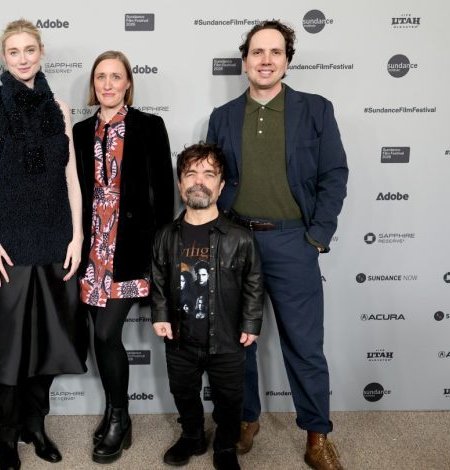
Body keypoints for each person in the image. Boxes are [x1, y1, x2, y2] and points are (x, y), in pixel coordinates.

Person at [206, 20, 348, 470]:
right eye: (257, 52)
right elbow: (213, 180)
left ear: (287, 60)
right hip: (237, 243)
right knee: (235, 344)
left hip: (293, 241)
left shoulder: (316, 110)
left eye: (275, 52)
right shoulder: (223, 116)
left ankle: (317, 435)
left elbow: (334, 176)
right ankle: (245, 420)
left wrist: (316, 238)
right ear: (245, 60)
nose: (265, 60)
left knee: (304, 345)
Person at [0, 19, 87, 470]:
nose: (22, 58)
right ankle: (7, 431)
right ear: (4, 57)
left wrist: (76, 236)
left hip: (55, 236)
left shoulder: (59, 105)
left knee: (49, 340)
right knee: (9, 342)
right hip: (6, 241)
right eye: (14, 51)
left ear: (41, 52)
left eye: (29, 50)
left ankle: (36, 425)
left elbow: (71, 178)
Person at [72, 50, 174, 464]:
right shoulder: (79, 131)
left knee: (104, 334)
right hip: (92, 247)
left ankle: (119, 417)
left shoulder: (150, 126)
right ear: (94, 85)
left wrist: (160, 255)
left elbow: (164, 194)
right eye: (101, 77)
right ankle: (118, 413)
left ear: (128, 83)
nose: (108, 84)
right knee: (102, 336)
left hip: (132, 247)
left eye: (116, 77)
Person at [151, 142, 263, 470]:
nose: (199, 180)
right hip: (181, 339)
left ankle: (225, 446)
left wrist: (251, 323)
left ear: (221, 185)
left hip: (227, 339)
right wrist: (160, 314)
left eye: (209, 174)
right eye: (191, 173)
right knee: (183, 392)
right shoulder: (165, 236)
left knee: (230, 399)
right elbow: (158, 279)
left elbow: (254, 283)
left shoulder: (240, 237)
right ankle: (192, 436)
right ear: (180, 184)